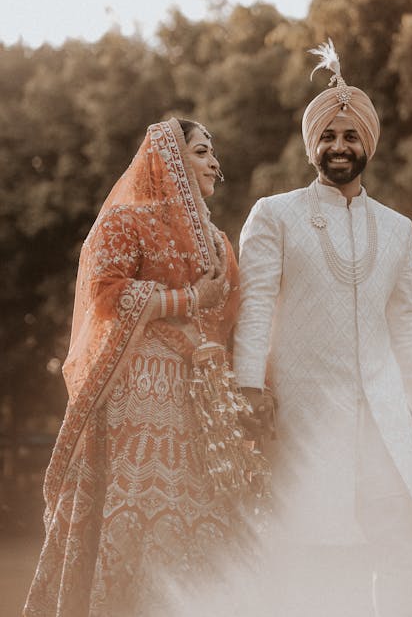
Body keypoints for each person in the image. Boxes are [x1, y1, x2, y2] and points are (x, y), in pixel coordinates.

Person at [23, 116, 265, 617]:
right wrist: (187, 299)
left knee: (210, 525)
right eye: (201, 152)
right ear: (169, 160)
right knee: (139, 518)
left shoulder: (221, 243)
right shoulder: (126, 222)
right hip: (141, 395)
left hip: (203, 404)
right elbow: (105, 294)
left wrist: (246, 391)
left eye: (213, 153)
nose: (215, 163)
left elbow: (235, 323)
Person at [233, 40, 412, 617]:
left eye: (350, 136)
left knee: (400, 537)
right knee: (321, 546)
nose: (339, 146)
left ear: (367, 143)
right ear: (311, 146)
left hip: (385, 411)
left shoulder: (397, 228)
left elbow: (405, 321)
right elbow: (254, 307)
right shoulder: (274, 215)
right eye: (327, 135)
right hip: (308, 412)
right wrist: (249, 389)